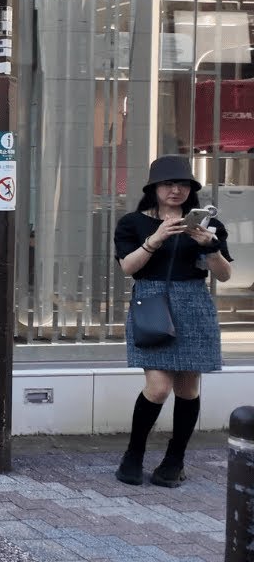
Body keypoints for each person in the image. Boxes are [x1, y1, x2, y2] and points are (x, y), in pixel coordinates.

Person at [112, 156, 232, 488]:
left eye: (182, 184)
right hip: (152, 304)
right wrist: (157, 238)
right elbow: (128, 268)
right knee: (158, 387)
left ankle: (174, 460)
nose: (175, 190)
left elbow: (224, 274)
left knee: (188, 388)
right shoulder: (133, 223)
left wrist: (210, 246)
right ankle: (133, 455)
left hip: (194, 305)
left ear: (191, 189)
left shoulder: (207, 224)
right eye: (167, 184)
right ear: (154, 188)